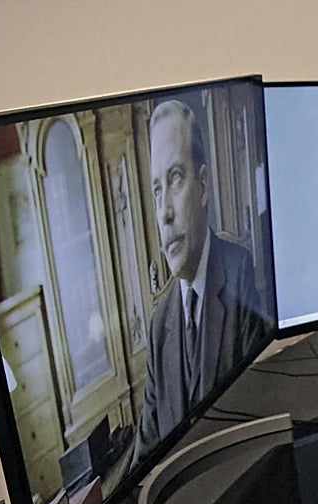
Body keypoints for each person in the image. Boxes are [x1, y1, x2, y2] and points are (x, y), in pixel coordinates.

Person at [132, 100, 268, 465]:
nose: (164, 212)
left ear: (204, 185)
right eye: (157, 190)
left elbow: (263, 421)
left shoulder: (244, 274)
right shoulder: (161, 325)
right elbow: (145, 457)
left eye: (175, 178)